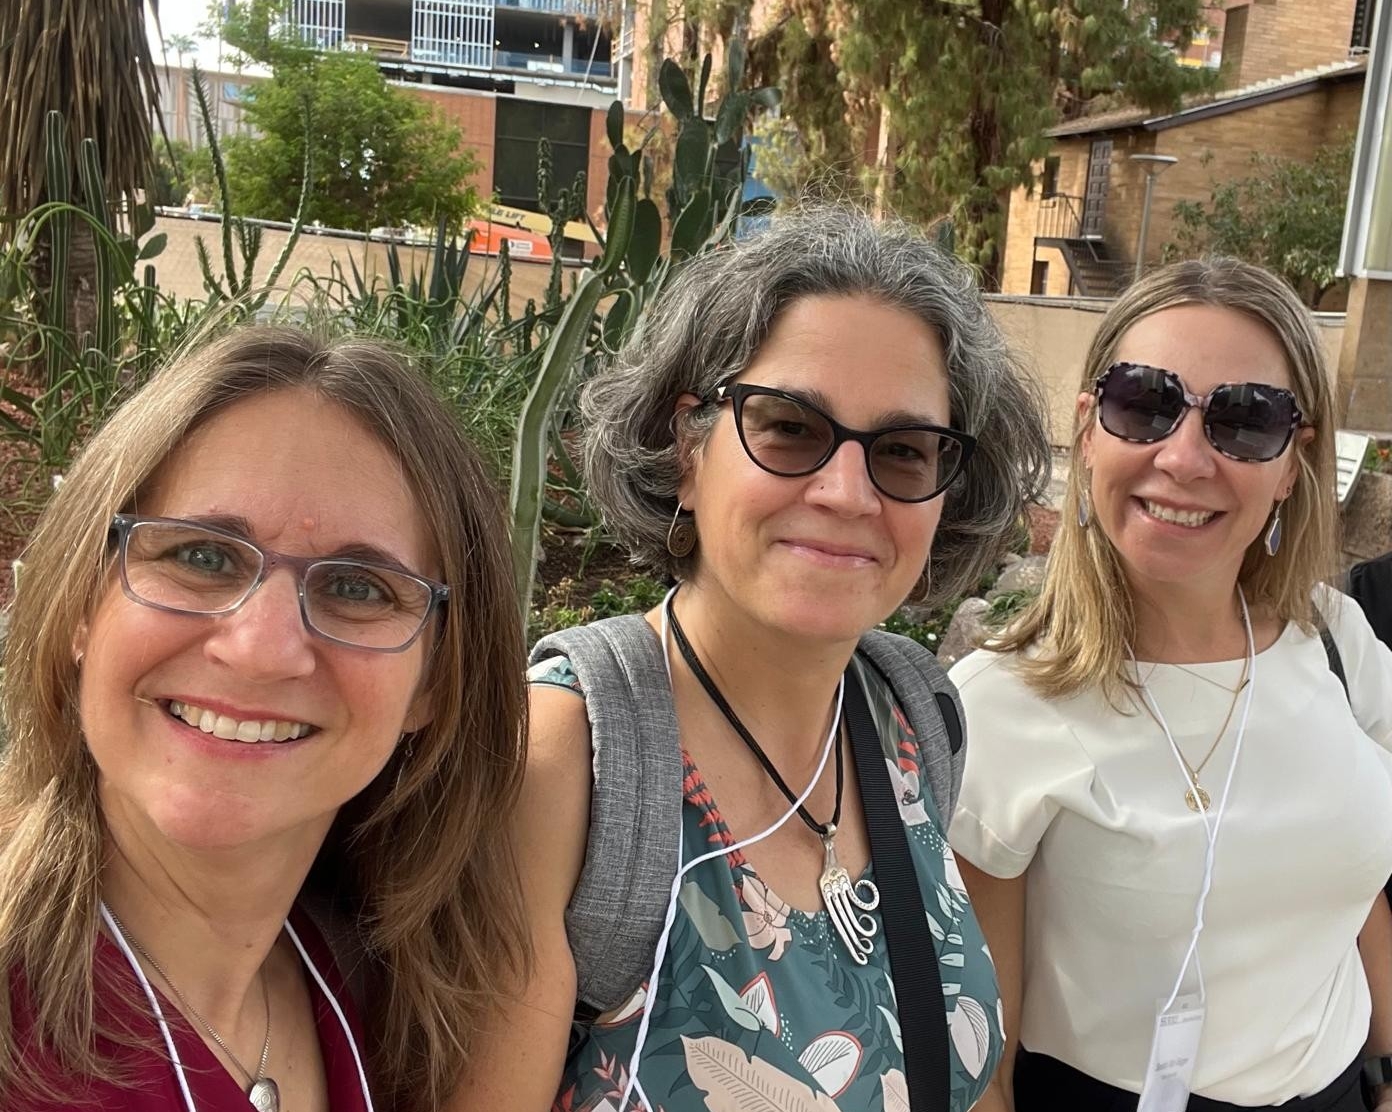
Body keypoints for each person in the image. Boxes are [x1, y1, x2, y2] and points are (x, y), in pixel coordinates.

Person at [450, 206, 1052, 1111]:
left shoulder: (913, 717)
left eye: (902, 450)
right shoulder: (569, 760)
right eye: (789, 427)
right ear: (686, 448)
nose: (847, 492)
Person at [0, 327, 528, 1111]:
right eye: (202, 556)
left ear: (435, 683)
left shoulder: (383, 995)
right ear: (83, 604)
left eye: (357, 587)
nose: (262, 650)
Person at [949, 258, 1392, 1112]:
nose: (1185, 458)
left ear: (1293, 465)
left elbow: (1356, 882)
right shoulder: (1001, 703)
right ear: (1087, 430)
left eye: (1246, 420)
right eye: (1144, 404)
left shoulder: (1338, 643)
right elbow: (983, 1063)